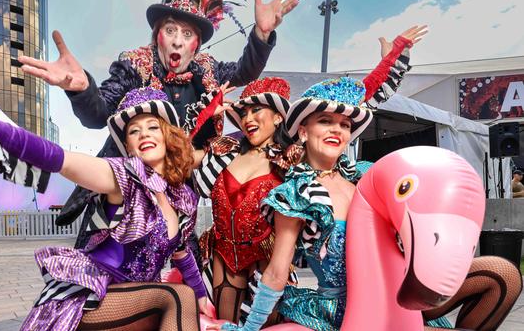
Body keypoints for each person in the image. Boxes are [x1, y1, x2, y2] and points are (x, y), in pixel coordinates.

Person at [215, 26, 523, 331]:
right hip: (348, 310)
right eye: (326, 121)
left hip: (403, 290)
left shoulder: (367, 174)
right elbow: (277, 271)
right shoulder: (296, 193)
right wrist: (247, 329)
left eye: (345, 124)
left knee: (501, 276)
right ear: (305, 131)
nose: (337, 130)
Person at [0, 51, 209, 331]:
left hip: (136, 301)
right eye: (133, 130)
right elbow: (48, 155)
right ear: (128, 144)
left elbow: (184, 258)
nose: (144, 133)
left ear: (169, 137)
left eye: (153, 126)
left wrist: (206, 301)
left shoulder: (182, 199)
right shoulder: (121, 175)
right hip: (91, 299)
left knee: (183, 297)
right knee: (174, 296)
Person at [17, 0, 304, 249]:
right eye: (170, 30)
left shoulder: (208, 70)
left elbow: (244, 71)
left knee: (187, 267)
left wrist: (261, 35)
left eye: (187, 33)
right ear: (158, 36)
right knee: (100, 265)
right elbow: (98, 114)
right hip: (127, 188)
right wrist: (80, 88)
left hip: (179, 190)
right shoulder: (134, 65)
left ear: (196, 44)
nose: (178, 40)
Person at [192, 76, 298, 324]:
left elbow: (332, 125)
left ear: (278, 116)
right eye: (244, 112)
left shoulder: (292, 160)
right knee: (222, 326)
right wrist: (202, 116)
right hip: (223, 256)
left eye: (256, 110)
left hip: (267, 262)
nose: (248, 118)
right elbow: (175, 155)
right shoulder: (224, 152)